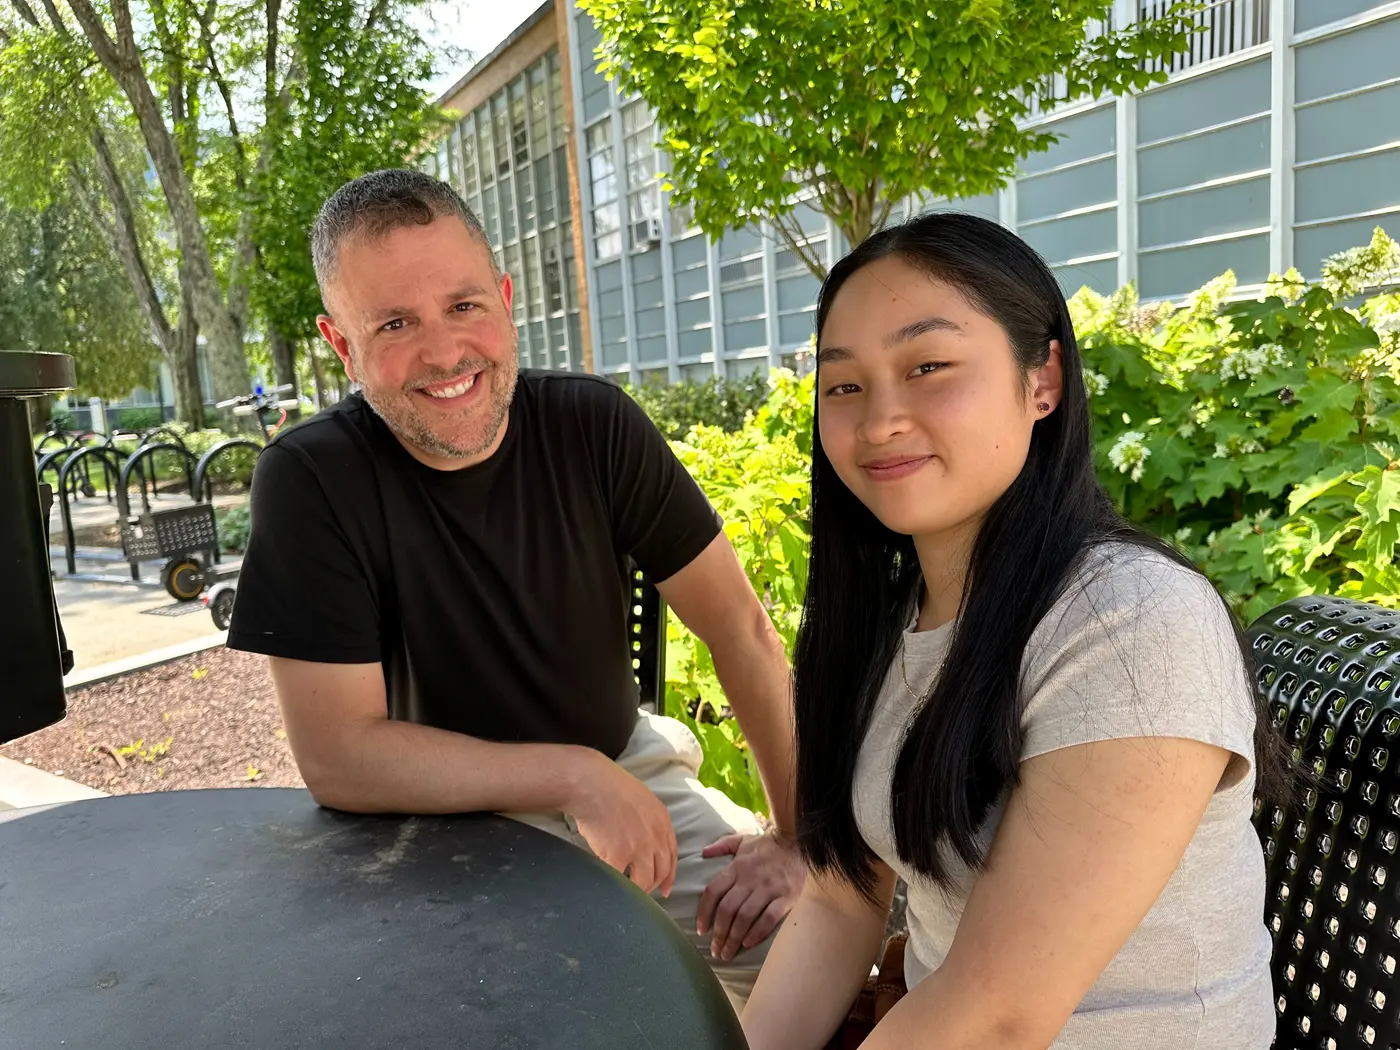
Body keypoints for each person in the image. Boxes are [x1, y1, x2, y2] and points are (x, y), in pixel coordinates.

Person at [225, 169, 803, 1009]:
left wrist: (796, 839)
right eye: (395, 323)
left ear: (504, 299)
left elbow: (740, 631)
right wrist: (570, 779)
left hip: (625, 769)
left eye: (464, 306)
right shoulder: (311, 480)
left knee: (811, 951)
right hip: (432, 829)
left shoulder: (594, 425)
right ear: (341, 345)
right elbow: (341, 757)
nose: (445, 352)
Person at [740, 213, 1286, 1049]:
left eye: (929, 366)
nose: (879, 418)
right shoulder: (892, 620)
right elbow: (840, 897)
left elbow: (997, 1020)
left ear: (1043, 382)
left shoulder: (1134, 622)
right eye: (843, 384)